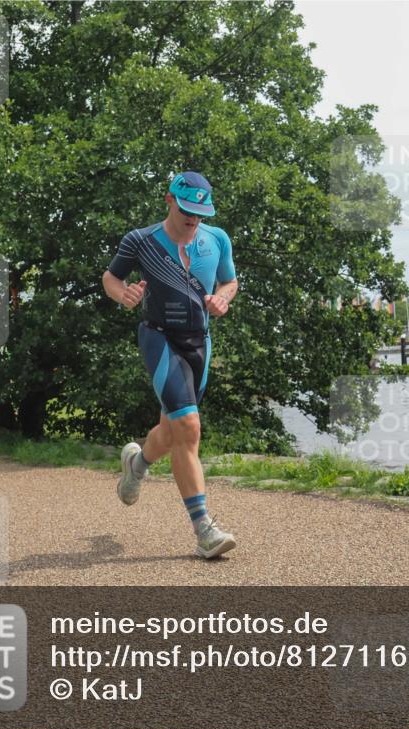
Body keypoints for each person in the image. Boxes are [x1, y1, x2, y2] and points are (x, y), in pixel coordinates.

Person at [102, 171, 239, 559]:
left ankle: (137, 463)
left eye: (200, 212)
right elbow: (111, 277)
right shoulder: (141, 241)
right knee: (189, 428)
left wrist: (222, 298)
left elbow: (230, 282)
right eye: (186, 211)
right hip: (159, 337)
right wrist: (122, 294)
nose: (193, 219)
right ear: (169, 200)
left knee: (172, 431)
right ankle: (204, 531)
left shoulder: (217, 239)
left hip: (200, 342)